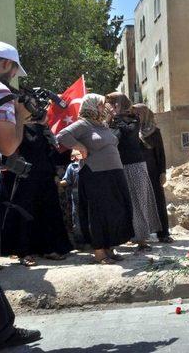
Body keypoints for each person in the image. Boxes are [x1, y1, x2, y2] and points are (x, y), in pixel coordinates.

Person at [57, 93, 134, 264]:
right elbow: (62, 136)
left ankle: (110, 247)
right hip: (95, 175)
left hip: (115, 173)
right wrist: (79, 146)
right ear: (91, 106)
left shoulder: (103, 125)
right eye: (100, 105)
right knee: (99, 213)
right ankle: (100, 252)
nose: (104, 107)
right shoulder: (83, 124)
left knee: (117, 211)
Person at [0, 41, 41, 348]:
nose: (14, 77)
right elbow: (8, 146)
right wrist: (20, 114)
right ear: (4, 65)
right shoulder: (2, 95)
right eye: (13, 69)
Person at [0, 116, 73, 265]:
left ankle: (49, 248)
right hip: (23, 176)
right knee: (25, 213)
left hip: (45, 174)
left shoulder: (42, 127)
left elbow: (52, 150)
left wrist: (54, 172)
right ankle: (24, 252)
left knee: (48, 211)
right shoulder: (15, 127)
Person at [105, 92, 161, 251]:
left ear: (119, 104)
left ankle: (142, 239)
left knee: (139, 201)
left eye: (113, 103)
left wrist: (115, 118)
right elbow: (112, 137)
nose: (110, 107)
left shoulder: (133, 119)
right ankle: (128, 235)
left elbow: (125, 133)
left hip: (135, 165)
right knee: (122, 203)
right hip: (118, 165)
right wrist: (110, 120)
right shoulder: (112, 121)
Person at [132, 104, 173, 243]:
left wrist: (162, 172)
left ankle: (163, 233)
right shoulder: (131, 130)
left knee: (158, 201)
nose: (136, 117)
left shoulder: (155, 131)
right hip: (136, 171)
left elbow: (160, 153)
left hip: (153, 171)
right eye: (134, 114)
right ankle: (140, 234)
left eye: (139, 114)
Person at [59, 149, 84, 246]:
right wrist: (58, 184)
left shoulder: (86, 164)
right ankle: (79, 241)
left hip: (86, 194)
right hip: (76, 193)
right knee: (76, 218)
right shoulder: (72, 166)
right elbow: (67, 180)